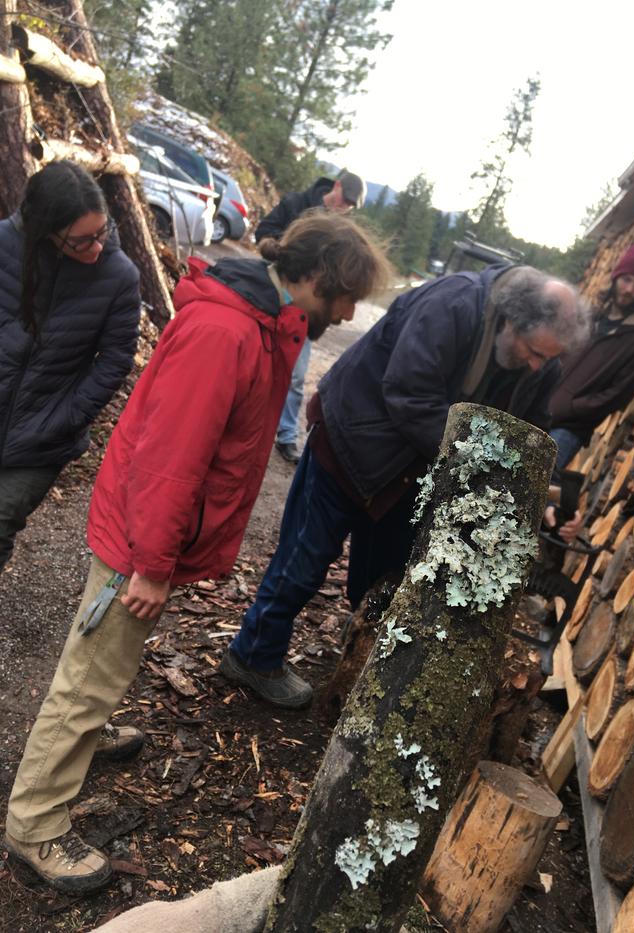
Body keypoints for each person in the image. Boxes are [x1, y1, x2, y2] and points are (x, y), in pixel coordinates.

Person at [3, 213, 391, 894]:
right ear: (317, 277)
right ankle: (34, 822)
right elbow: (171, 458)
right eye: (346, 296)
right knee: (90, 673)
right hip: (141, 536)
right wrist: (152, 564)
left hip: (154, 532)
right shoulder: (227, 331)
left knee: (103, 659)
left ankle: (84, 735)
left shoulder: (269, 320)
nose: (351, 312)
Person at [221, 264, 590, 709]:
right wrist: (479, 461)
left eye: (548, 359)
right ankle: (252, 655)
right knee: (303, 561)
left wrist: (541, 495)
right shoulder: (452, 304)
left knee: (384, 578)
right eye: (533, 352)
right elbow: (409, 394)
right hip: (352, 442)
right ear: (512, 318)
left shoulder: (540, 362)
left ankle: (360, 658)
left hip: (413, 471)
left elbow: (533, 428)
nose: (537, 366)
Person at [0, 161, 141, 572]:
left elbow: (115, 359)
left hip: (42, 438)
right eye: (81, 241)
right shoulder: (5, 245)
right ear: (44, 229)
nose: (96, 248)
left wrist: (67, 416)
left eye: (102, 233)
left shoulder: (118, 277)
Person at [256, 170, 367, 463]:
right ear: (337, 186)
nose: (345, 207)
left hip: (305, 312)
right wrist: (283, 251)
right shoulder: (297, 203)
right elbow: (264, 230)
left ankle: (286, 435)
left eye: (350, 206)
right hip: (273, 296)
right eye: (345, 200)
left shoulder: (342, 230)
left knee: (296, 373)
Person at [548, 244, 634, 476]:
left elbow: (620, 392)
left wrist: (570, 407)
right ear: (616, 276)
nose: (629, 289)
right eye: (626, 279)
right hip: (537, 408)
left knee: (533, 481)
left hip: (570, 428)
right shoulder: (593, 313)